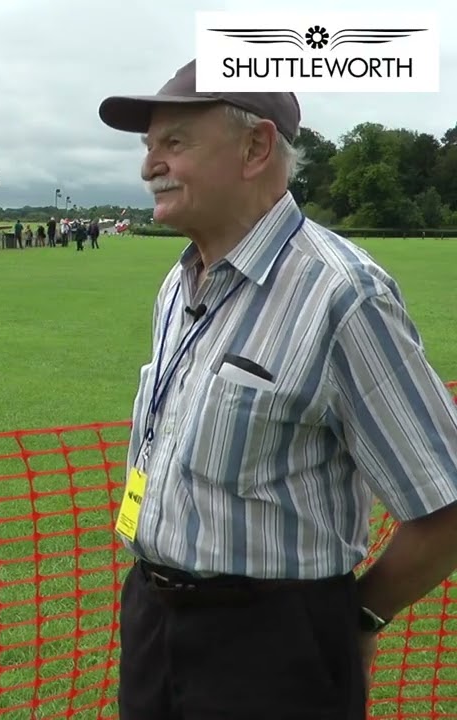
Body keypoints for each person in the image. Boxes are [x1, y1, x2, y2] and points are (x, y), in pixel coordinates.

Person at [98, 58, 457, 720]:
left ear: (256, 147)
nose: (150, 164)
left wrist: (364, 616)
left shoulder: (343, 295)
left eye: (174, 142)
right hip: (151, 620)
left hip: (274, 649)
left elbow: (445, 505)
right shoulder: (178, 285)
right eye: (149, 147)